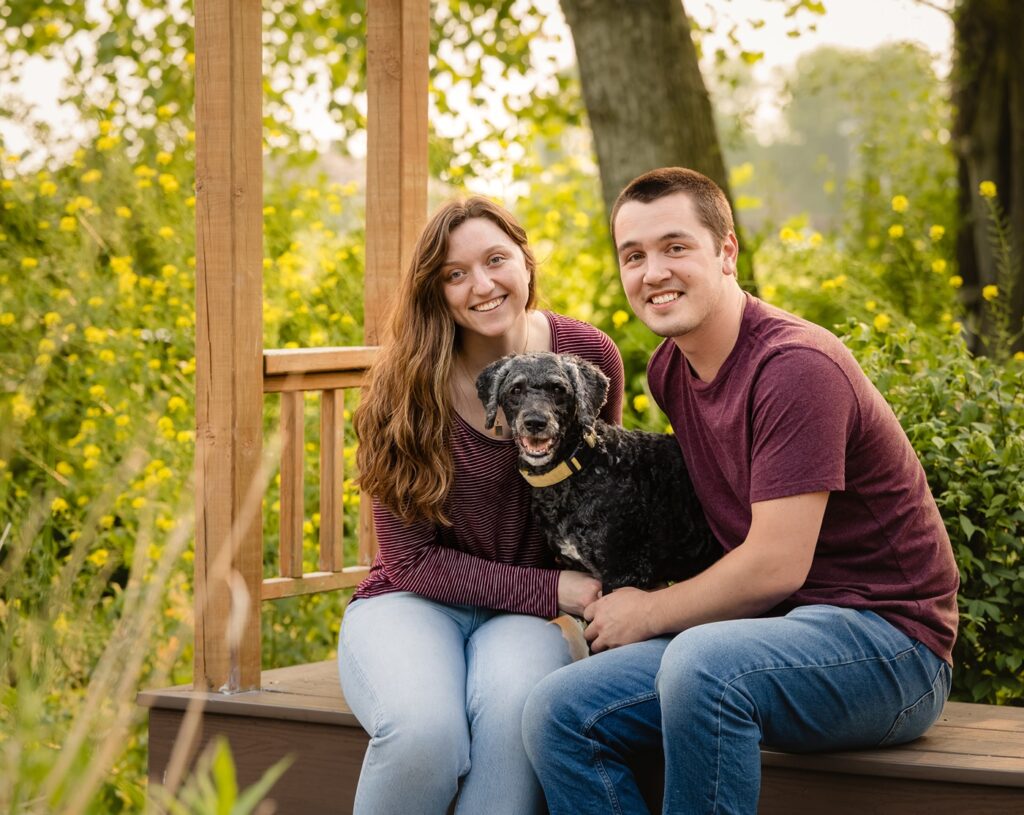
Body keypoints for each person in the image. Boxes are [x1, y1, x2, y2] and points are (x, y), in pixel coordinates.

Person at [522, 167, 959, 814]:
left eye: (676, 247)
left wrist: (646, 611)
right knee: (558, 710)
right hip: (762, 636)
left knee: (700, 664)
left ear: (727, 253)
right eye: (634, 256)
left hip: (889, 646)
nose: (653, 272)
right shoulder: (672, 370)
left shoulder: (795, 369)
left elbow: (777, 563)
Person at [339, 196, 624, 814]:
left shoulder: (588, 359)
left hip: (523, 624)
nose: (483, 285)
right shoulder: (405, 388)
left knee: (512, 729)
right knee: (424, 735)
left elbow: (598, 496)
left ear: (525, 262)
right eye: (455, 273)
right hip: (413, 601)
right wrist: (559, 592)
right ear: (436, 292)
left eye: (496, 260)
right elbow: (412, 560)